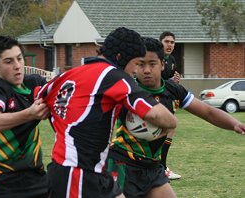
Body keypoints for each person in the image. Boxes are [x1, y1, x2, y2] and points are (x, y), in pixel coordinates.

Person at [35, 27, 177, 198]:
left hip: (89, 170)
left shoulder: (67, 75)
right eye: (137, 63)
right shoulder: (115, 77)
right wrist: (170, 124)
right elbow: (156, 115)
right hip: (77, 173)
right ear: (121, 58)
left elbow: (39, 99)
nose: (135, 70)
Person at [105, 37, 245, 198]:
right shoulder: (127, 90)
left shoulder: (173, 90)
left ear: (163, 64)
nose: (147, 70)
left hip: (152, 167)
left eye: (152, 64)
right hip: (123, 164)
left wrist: (235, 124)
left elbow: (207, 111)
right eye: (141, 64)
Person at [0, 35, 50, 198]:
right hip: (2, 178)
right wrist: (29, 113)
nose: (17, 66)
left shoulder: (34, 83)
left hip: (35, 176)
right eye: (9, 62)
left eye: (19, 59)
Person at [159, 31, 181, 179]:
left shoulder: (172, 59)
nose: (170, 45)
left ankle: (162, 166)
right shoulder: (155, 57)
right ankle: (161, 167)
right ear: (160, 42)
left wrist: (176, 80)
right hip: (153, 100)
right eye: (167, 41)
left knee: (169, 129)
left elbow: (169, 79)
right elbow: (155, 80)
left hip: (166, 98)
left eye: (172, 42)